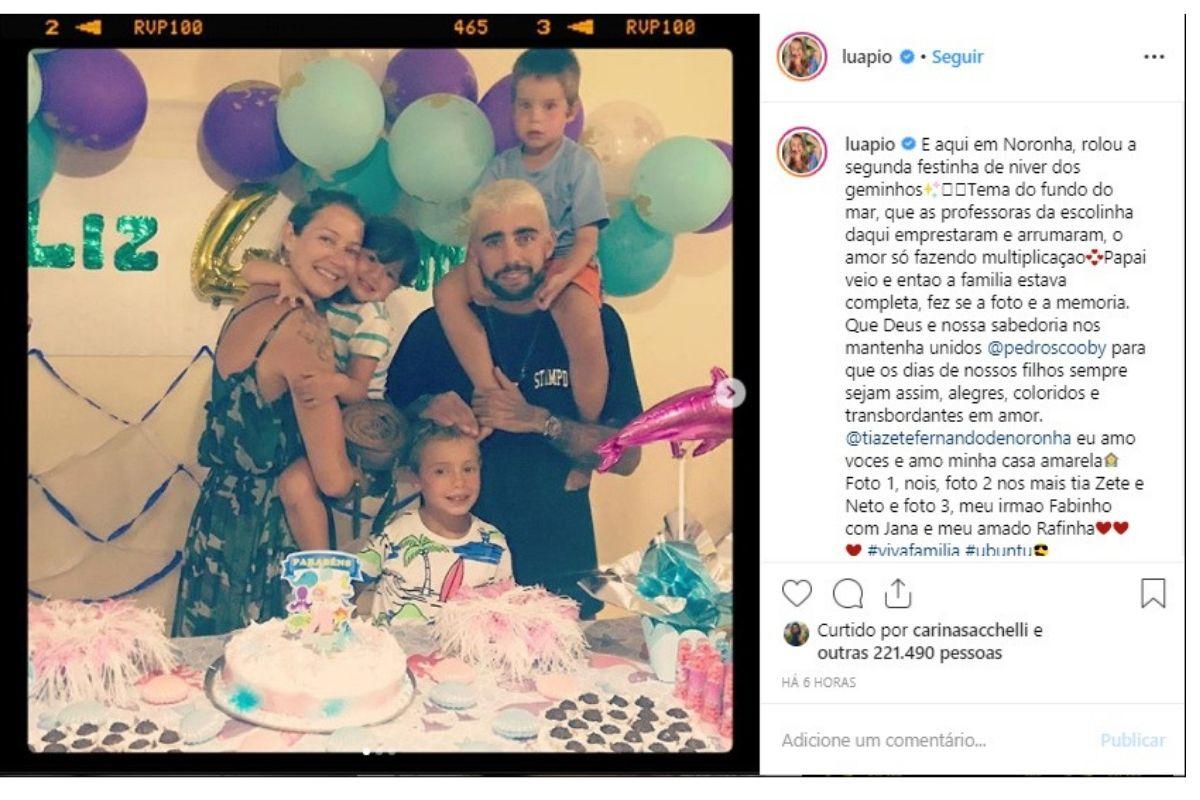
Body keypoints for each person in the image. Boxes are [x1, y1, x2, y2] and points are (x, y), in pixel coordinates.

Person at [387, 179, 642, 618]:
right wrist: (423, 409)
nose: (511, 257)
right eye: (493, 241)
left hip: (559, 572)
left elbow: (626, 457)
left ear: (549, 243)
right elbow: (386, 435)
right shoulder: (434, 328)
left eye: (525, 237)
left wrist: (541, 421)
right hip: (449, 576)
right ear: (473, 251)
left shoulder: (599, 324)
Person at [172, 190, 363, 637]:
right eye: (326, 239)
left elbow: (249, 268)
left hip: (217, 520)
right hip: (272, 537)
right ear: (290, 235)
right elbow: (333, 479)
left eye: (352, 250)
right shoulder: (303, 327)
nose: (338, 259)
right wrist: (369, 472)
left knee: (213, 668)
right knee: (279, 673)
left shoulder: (256, 297)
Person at [433, 49, 610, 491]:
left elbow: (587, 239)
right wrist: (473, 272)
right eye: (525, 106)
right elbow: (481, 231)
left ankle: (586, 443)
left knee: (583, 322)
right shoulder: (501, 167)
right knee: (448, 291)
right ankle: (490, 394)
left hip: (566, 260)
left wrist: (562, 278)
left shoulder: (579, 164)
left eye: (549, 107)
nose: (535, 118)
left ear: (570, 111)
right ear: (512, 109)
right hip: (508, 262)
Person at [241, 216, 421, 550]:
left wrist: (334, 383)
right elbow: (248, 270)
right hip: (329, 413)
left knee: (296, 483)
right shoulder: (326, 292)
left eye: (390, 275)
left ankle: (323, 569)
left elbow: (358, 390)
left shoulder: (372, 321)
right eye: (371, 259)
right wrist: (284, 276)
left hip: (363, 426)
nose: (375, 275)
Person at [356, 420, 512, 626]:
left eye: (468, 469)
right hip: (393, 646)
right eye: (441, 471)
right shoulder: (395, 533)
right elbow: (347, 587)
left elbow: (505, 616)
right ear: (415, 478)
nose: (459, 482)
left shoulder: (494, 543)